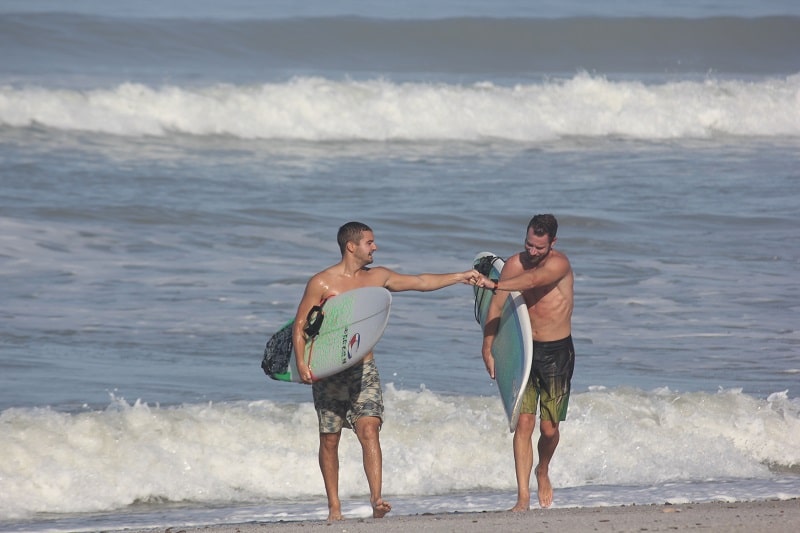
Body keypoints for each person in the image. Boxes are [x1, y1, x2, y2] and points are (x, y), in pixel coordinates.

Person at [292, 221, 478, 521]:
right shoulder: (322, 283)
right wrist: (302, 364)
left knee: (370, 428)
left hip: (363, 368)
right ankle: (334, 507)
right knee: (330, 437)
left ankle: (377, 499)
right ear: (351, 246)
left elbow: (420, 281)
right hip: (328, 371)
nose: (374, 247)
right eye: (369, 242)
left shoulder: (377, 277)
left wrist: (460, 276)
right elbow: (300, 325)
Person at [477, 214, 574, 511]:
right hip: (525, 351)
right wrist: (488, 345)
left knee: (548, 429)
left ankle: (542, 469)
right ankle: (522, 497)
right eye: (528, 244)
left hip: (557, 352)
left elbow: (533, 281)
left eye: (539, 248)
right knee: (524, 423)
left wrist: (495, 284)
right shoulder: (513, 265)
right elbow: (495, 306)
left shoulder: (559, 264)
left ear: (553, 243)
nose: (532, 252)